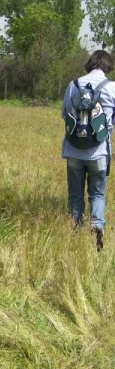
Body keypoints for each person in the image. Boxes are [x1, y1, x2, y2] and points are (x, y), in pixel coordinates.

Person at [62, 50, 115, 250]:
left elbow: (64, 115)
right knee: (98, 194)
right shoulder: (112, 87)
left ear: (90, 64)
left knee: (75, 195)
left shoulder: (73, 85)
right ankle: (97, 226)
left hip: (74, 150)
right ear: (107, 67)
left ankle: (74, 233)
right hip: (99, 152)